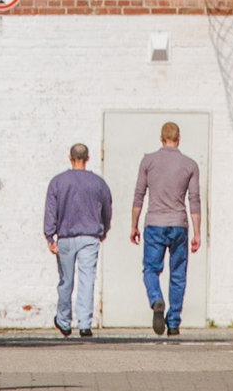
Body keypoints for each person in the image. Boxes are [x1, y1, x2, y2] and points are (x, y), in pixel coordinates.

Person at [130, 121, 202, 337]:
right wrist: (197, 232)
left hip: (154, 224)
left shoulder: (148, 161)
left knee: (151, 269)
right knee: (178, 274)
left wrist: (134, 225)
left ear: (161, 139)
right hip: (179, 225)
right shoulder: (190, 165)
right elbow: (195, 200)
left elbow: (138, 195)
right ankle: (174, 323)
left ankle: (156, 299)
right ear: (179, 139)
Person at [43, 142, 114, 338]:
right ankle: (84, 324)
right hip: (90, 236)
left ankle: (64, 321)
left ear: (70, 158)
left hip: (66, 236)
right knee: (87, 280)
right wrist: (104, 229)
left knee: (66, 280)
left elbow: (51, 211)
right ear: (88, 158)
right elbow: (107, 208)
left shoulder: (58, 182)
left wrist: (50, 236)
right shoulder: (98, 183)